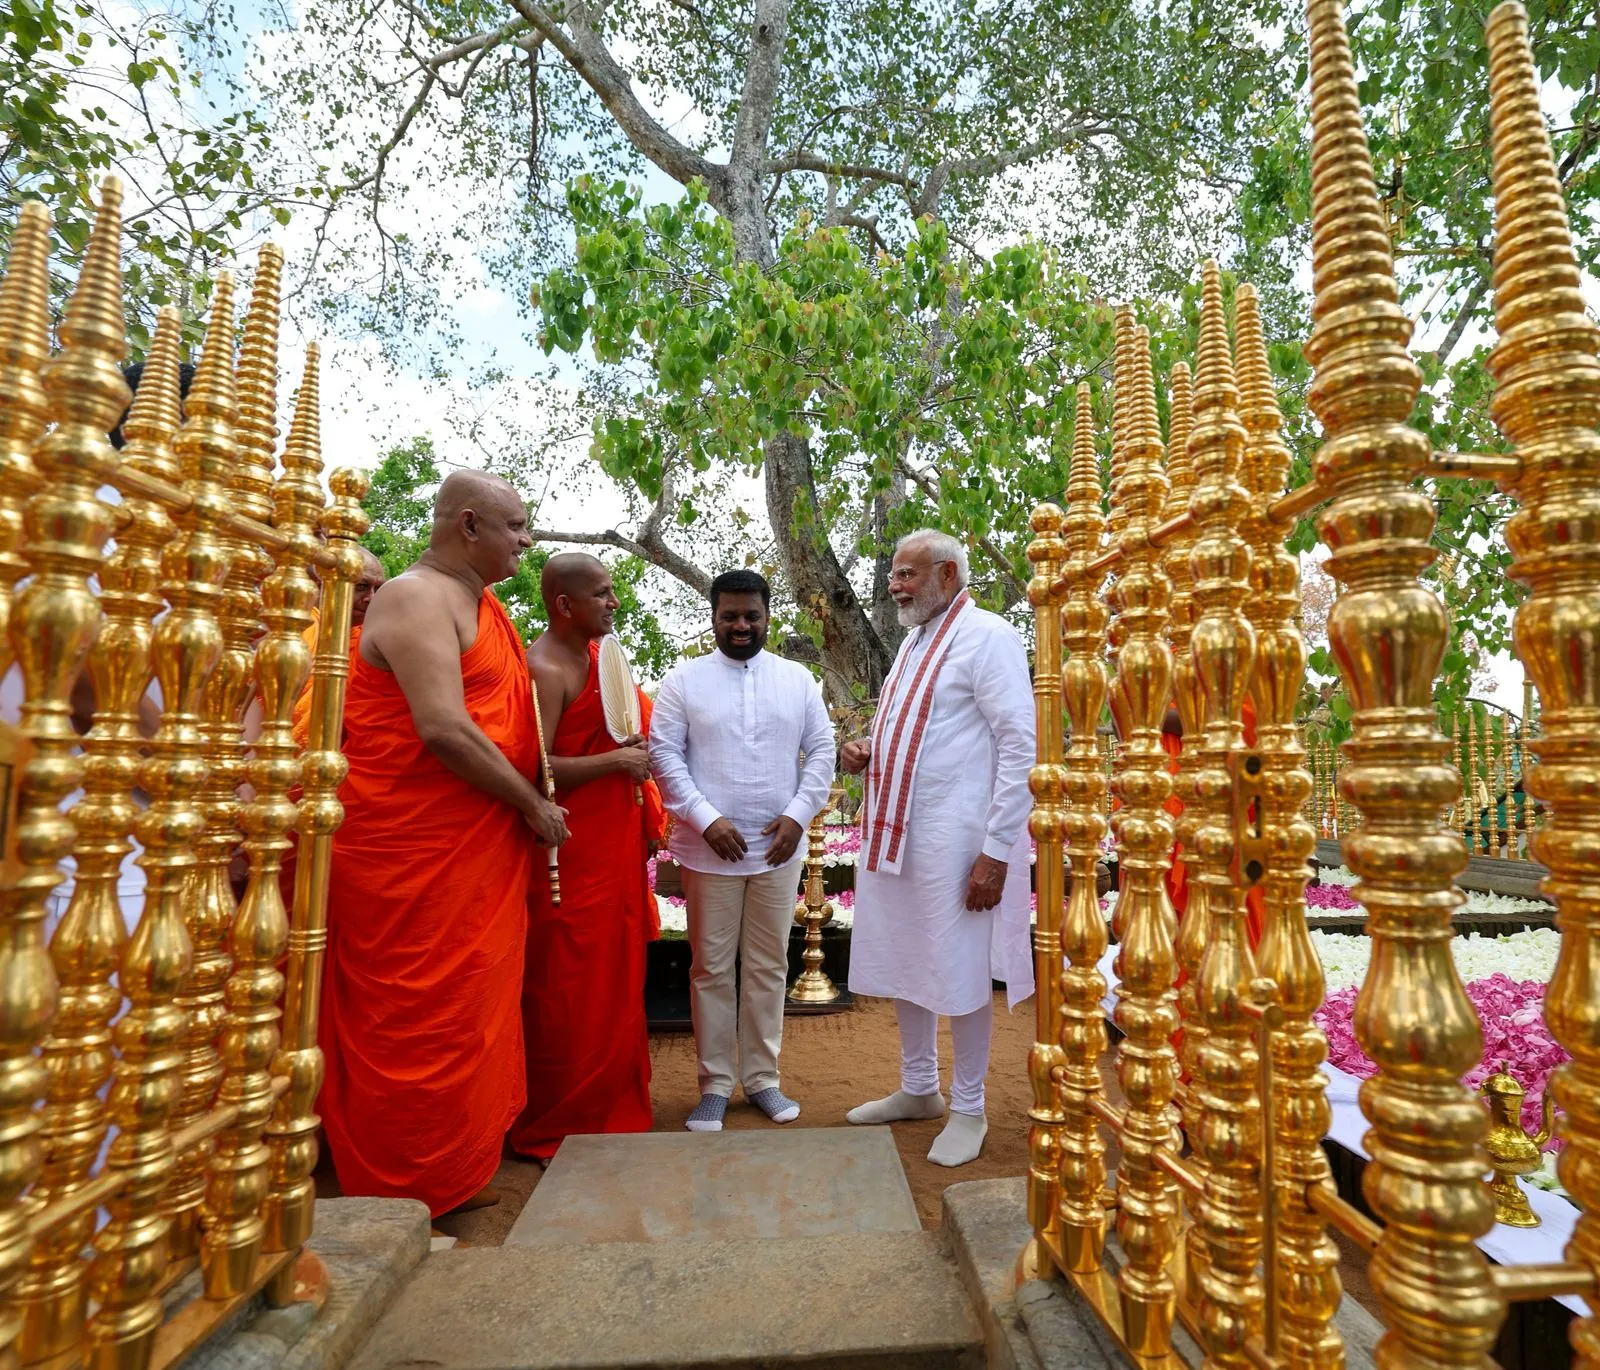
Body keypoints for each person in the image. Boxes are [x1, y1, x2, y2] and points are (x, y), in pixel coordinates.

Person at [317, 470, 569, 1220]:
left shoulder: (481, 604)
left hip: (471, 849)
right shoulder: (414, 597)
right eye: (517, 525)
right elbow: (445, 729)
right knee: (414, 1011)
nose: (527, 540)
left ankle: (454, 1166)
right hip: (410, 854)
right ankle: (401, 1185)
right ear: (468, 525)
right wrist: (530, 805)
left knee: (471, 1007)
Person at [841, 530, 1035, 1168]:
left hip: (960, 843)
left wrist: (997, 851)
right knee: (908, 959)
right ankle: (919, 1088)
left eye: (907, 575)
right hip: (900, 835)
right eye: (895, 574)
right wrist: (870, 748)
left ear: (948, 574)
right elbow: (917, 729)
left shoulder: (990, 638)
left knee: (960, 971)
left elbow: (1019, 746)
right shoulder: (913, 641)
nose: (895, 586)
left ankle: (970, 1106)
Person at [650, 569, 834, 1133]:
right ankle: (714, 1084)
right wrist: (706, 820)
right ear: (713, 616)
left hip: (779, 850)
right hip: (711, 852)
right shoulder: (683, 681)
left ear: (767, 616)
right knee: (709, 968)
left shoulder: (797, 679)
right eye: (729, 614)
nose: (740, 625)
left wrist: (798, 817)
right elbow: (664, 754)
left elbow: (823, 750)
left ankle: (762, 1081)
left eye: (750, 615)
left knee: (768, 964)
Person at [509, 553, 665, 1162]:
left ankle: (609, 1107)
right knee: (569, 987)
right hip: (567, 859)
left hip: (613, 849)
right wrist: (614, 764)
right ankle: (558, 1122)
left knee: (616, 983)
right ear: (563, 604)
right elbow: (529, 769)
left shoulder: (605, 661)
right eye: (601, 594)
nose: (614, 603)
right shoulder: (545, 667)